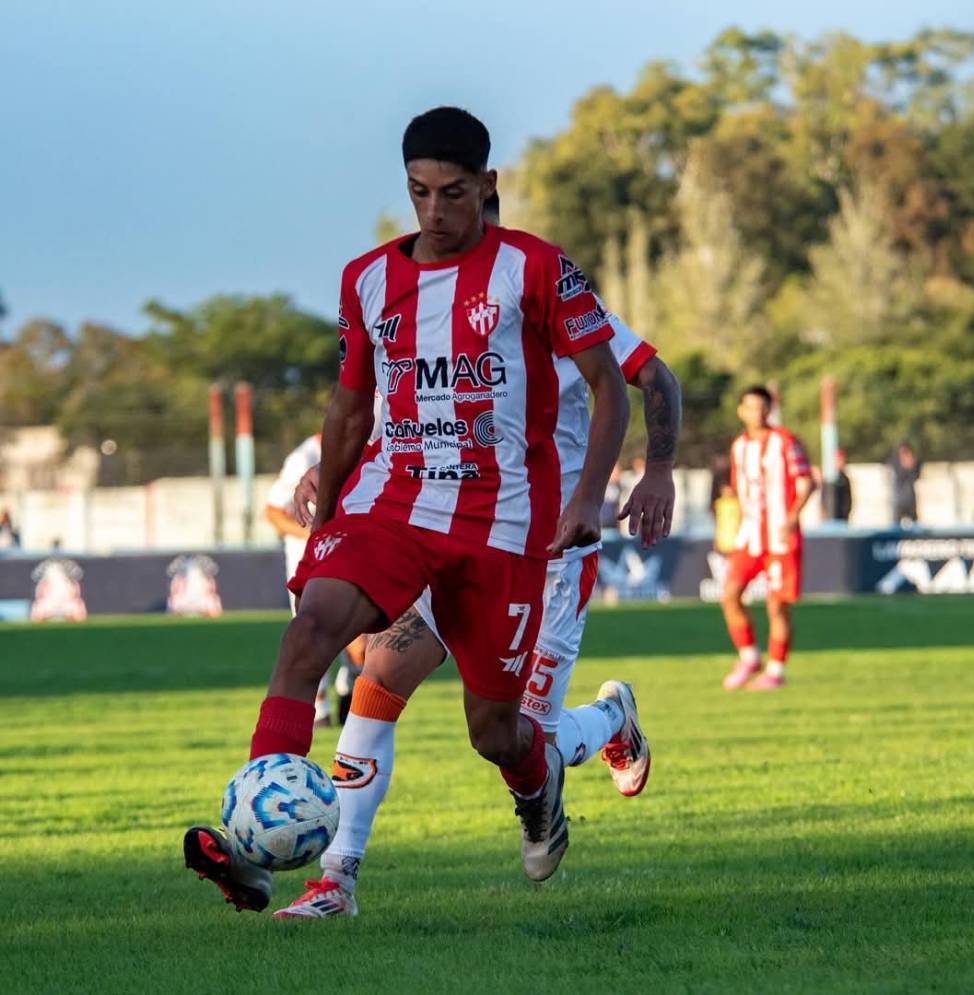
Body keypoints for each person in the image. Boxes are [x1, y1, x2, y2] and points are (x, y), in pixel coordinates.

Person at [184, 106, 630, 909]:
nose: (434, 210)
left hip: (503, 526)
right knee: (309, 635)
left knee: (495, 731)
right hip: (392, 505)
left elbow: (610, 385)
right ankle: (256, 842)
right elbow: (350, 406)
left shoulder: (534, 269)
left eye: (452, 192)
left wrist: (592, 494)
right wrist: (327, 518)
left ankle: (538, 786)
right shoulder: (367, 279)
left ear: (486, 186)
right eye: (419, 192)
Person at [269, 309, 681, 919]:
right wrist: (339, 467)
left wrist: (660, 471)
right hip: (454, 539)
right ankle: (335, 880)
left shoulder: (549, 295)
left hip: (550, 559)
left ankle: (609, 719)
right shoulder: (434, 307)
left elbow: (653, 376)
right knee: (377, 681)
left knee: (515, 739)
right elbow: (408, 416)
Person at [720, 385, 814, 691]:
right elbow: (739, 490)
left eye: (762, 407)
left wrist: (793, 516)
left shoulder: (785, 441)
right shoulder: (739, 446)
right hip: (750, 536)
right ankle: (749, 657)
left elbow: (807, 482)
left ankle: (775, 670)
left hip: (780, 537)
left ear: (769, 410)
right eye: (750, 407)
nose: (757, 413)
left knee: (777, 606)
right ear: (741, 411)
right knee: (730, 594)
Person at [266, 434, 363, 725]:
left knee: (358, 636)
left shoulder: (369, 444)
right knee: (311, 631)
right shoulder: (304, 458)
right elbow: (273, 512)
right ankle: (318, 709)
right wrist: (313, 533)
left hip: (350, 552)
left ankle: (350, 692)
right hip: (307, 559)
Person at [890, 442, 920, 526]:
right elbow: (899, 474)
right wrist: (905, 465)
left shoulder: (914, 463)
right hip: (899, 500)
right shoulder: (895, 462)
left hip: (910, 500)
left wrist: (911, 464)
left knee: (914, 525)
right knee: (896, 526)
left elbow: (916, 476)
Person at [820, 448, 852, 523]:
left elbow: (848, 500)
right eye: (839, 460)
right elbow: (824, 497)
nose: (842, 462)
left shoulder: (845, 478)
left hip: (842, 517)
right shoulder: (829, 477)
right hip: (830, 517)